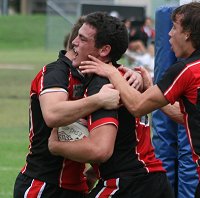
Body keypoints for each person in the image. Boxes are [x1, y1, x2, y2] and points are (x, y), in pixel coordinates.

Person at [79, 2, 200, 198]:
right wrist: (150, 89)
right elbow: (188, 116)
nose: (169, 34)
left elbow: (136, 106)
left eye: (174, 28)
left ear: (188, 34)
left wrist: (111, 72)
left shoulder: (188, 69)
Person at [13, 14, 143, 197]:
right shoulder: (55, 73)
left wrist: (132, 75)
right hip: (43, 184)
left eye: (82, 39)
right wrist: (98, 100)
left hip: (78, 186)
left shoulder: (94, 75)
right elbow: (52, 114)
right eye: (78, 37)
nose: (75, 42)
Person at [48, 11, 174, 198]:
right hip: (154, 182)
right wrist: (94, 172)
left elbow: (100, 150)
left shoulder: (102, 84)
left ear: (104, 50)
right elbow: (126, 142)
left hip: (128, 184)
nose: (74, 42)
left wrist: (55, 146)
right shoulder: (124, 76)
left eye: (82, 39)